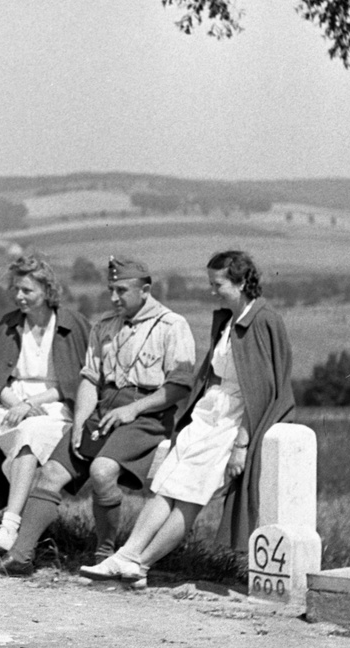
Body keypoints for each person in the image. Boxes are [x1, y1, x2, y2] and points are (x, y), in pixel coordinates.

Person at [81, 249, 295, 588]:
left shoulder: (262, 319)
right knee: (166, 484)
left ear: (240, 283)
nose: (212, 290)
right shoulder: (229, 320)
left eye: (218, 283)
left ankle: (140, 562)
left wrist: (242, 442)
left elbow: (266, 389)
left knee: (190, 494)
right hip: (210, 413)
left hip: (234, 420)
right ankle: (126, 555)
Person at [0, 256, 197, 576]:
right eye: (110, 290)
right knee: (53, 473)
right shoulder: (105, 326)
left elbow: (179, 386)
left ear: (145, 290)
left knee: (102, 471)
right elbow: (89, 379)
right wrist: (79, 423)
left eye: (121, 290)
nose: (114, 298)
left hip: (147, 415)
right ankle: (20, 556)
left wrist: (133, 409)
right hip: (101, 412)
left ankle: (105, 549)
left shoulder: (173, 325)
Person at [0, 255, 90, 551]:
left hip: (56, 406)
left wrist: (34, 403)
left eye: (27, 290)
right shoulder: (9, 324)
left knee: (24, 449)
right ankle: (23, 533)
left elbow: (77, 382)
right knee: (26, 439)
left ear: (47, 290)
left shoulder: (72, 324)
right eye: (16, 289)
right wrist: (17, 403)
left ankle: (10, 525)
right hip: (9, 407)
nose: (19, 297)